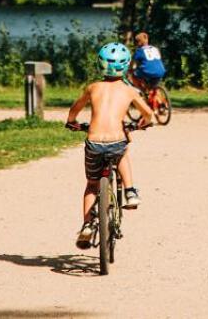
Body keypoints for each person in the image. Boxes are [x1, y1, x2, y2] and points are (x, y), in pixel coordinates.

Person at [66, 42, 154, 249]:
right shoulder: (130, 90)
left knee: (92, 184)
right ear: (126, 65)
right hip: (116, 141)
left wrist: (72, 122)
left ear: (100, 64)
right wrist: (144, 123)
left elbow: (75, 107)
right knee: (122, 150)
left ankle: (87, 225)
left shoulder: (92, 87)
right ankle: (131, 191)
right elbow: (148, 113)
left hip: (94, 143)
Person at [129, 30, 167, 98]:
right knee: (153, 87)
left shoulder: (139, 51)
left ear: (139, 42)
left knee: (133, 76)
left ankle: (143, 91)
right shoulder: (155, 49)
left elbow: (133, 63)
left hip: (148, 71)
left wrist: (130, 69)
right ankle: (163, 103)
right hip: (161, 70)